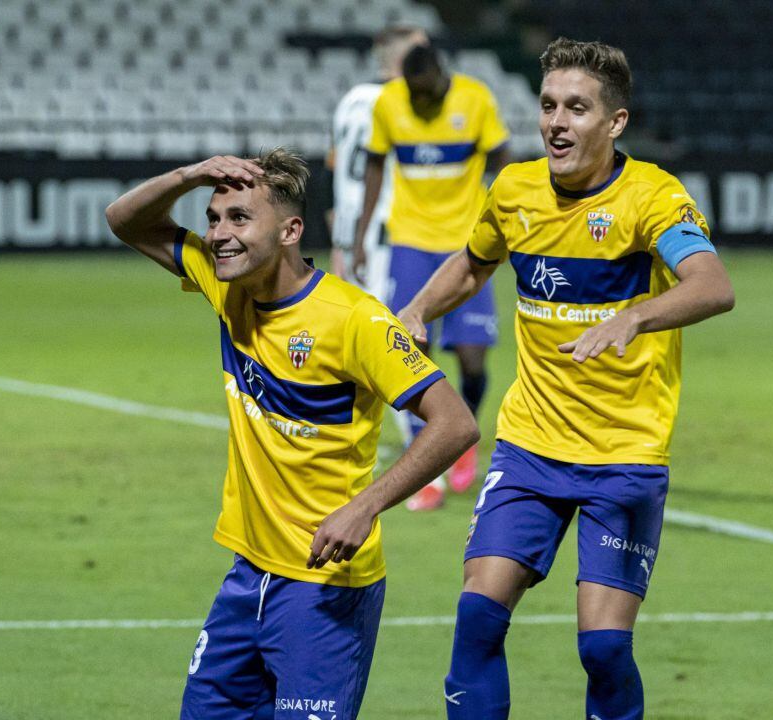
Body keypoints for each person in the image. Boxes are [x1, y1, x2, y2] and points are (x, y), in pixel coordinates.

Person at [397, 38, 735, 719]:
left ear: (615, 123)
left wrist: (635, 316)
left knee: (604, 650)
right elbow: (473, 262)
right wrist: (416, 309)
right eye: (549, 106)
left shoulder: (652, 198)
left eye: (577, 109)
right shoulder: (516, 189)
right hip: (530, 448)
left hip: (624, 454)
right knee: (477, 618)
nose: (557, 122)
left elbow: (713, 285)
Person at [104, 148, 478, 720]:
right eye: (212, 218)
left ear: (289, 231)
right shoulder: (223, 281)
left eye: (239, 219)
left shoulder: (356, 319)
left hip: (323, 585)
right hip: (246, 576)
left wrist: (366, 506)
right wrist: (191, 175)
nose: (219, 235)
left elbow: (456, 423)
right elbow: (123, 220)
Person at [355, 43, 512, 510]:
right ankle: (426, 455)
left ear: (442, 76)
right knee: (410, 350)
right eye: (414, 94)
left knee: (471, 359)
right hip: (409, 240)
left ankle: (462, 435)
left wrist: (500, 213)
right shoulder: (389, 104)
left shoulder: (475, 99)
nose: (420, 103)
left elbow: (502, 156)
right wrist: (364, 234)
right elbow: (376, 165)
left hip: (466, 243)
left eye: (427, 93)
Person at [327, 25, 428, 300]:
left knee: (356, 327)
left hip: (350, 232)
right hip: (389, 230)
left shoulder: (349, 100)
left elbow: (333, 173)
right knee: (393, 331)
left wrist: (337, 244)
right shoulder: (404, 102)